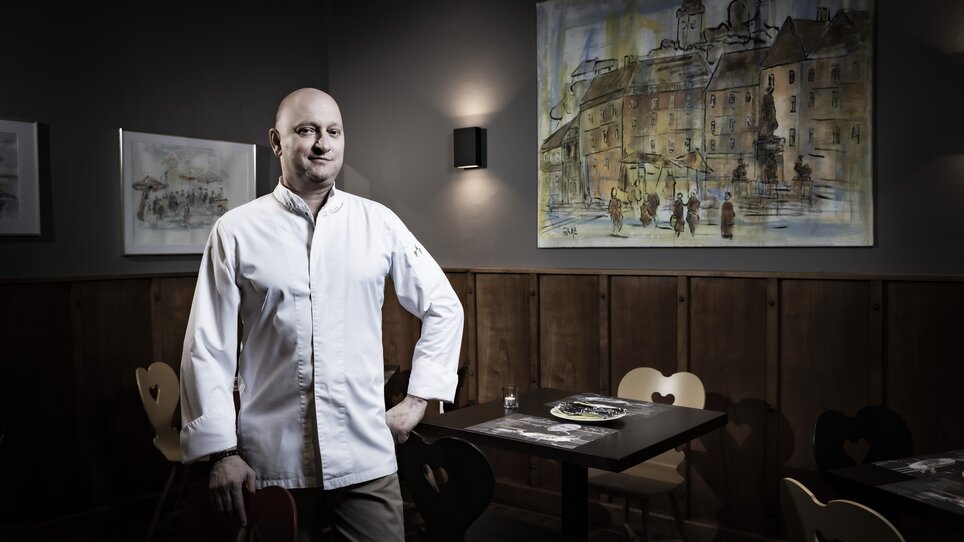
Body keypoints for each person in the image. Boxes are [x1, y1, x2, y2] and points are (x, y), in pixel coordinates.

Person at [178, 87, 464, 541]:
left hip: (365, 457)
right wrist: (221, 454)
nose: (322, 144)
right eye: (307, 130)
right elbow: (207, 347)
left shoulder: (379, 223)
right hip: (271, 462)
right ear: (276, 141)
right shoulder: (234, 231)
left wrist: (416, 400)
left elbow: (444, 306)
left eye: (333, 131)